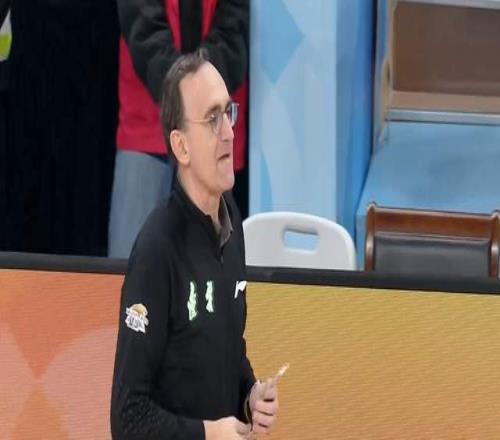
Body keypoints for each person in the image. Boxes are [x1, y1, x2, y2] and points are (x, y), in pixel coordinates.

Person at [110, 49, 279, 439]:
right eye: (212, 119)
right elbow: (127, 418)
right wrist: (208, 433)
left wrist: (250, 396)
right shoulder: (157, 250)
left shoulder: (231, 221)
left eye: (229, 112)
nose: (229, 132)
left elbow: (227, 351)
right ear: (181, 146)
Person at [108, 0, 249, 258]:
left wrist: (200, 92)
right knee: (130, 264)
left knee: (213, 267)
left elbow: (234, 28)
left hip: (213, 128)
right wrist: (188, 94)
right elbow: (142, 28)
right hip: (148, 126)